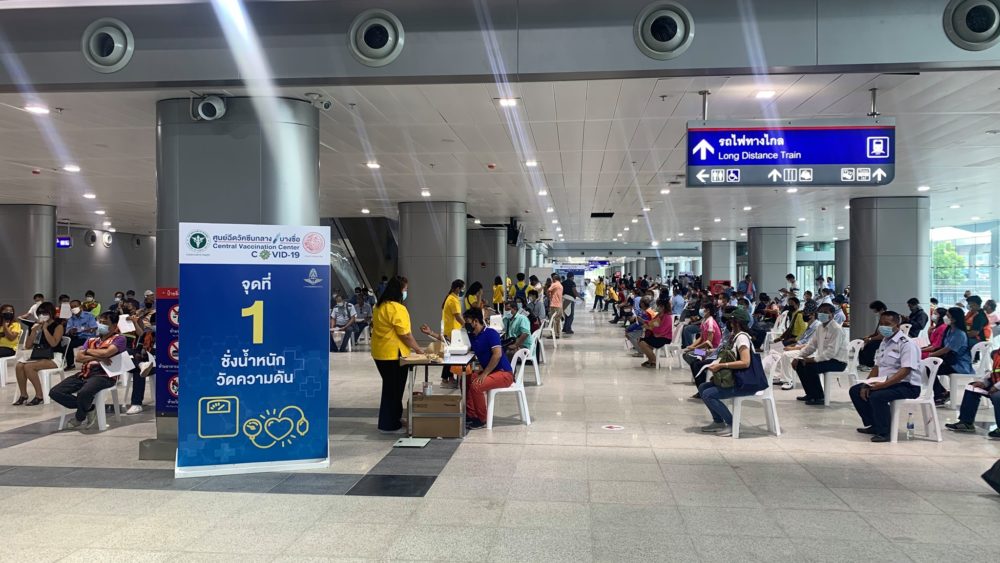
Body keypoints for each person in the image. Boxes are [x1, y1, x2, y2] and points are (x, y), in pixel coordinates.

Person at [849, 311, 922, 442]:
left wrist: (883, 385)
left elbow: (905, 370)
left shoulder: (906, 344)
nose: (883, 327)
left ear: (897, 325)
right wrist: (868, 383)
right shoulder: (884, 342)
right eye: (881, 324)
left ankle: (885, 432)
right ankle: (874, 424)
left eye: (887, 324)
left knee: (878, 396)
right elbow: (877, 367)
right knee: (856, 390)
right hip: (886, 382)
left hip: (907, 385)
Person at [49, 311, 127, 429]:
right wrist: (98, 356)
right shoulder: (91, 340)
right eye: (100, 322)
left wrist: (87, 351)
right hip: (84, 373)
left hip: (104, 375)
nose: (101, 325)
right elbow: (79, 358)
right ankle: (89, 408)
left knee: (84, 393)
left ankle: (79, 417)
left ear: (115, 326)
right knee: (55, 392)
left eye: (105, 323)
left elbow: (107, 352)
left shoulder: (119, 339)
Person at [371, 276, 424, 434]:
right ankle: (389, 424)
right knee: (394, 389)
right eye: (405, 290)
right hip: (394, 355)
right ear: (399, 291)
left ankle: (393, 419)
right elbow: (405, 334)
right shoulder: (397, 308)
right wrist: (418, 349)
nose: (406, 292)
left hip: (380, 353)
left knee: (390, 387)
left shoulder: (379, 306)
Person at [698, 308, 758, 437]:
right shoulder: (731, 336)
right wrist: (693, 350)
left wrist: (721, 365)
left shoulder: (741, 338)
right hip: (715, 360)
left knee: (709, 394)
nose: (728, 323)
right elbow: (716, 350)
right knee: (703, 387)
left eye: (731, 321)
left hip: (743, 382)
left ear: (736, 322)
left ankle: (733, 424)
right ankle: (718, 421)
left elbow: (745, 362)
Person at [454, 307, 515, 430]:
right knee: (466, 379)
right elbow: (454, 342)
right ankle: (471, 415)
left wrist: (484, 374)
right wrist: (432, 334)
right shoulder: (473, 336)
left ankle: (482, 419)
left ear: (475, 321)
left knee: (476, 385)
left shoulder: (491, 333)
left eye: (467, 321)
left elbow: (497, 354)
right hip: (491, 371)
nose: (466, 324)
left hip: (504, 373)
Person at [791, 303, 849, 405]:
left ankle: (819, 397)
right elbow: (811, 346)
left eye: (826, 312)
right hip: (825, 359)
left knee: (810, 366)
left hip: (838, 362)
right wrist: (798, 356)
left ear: (832, 314)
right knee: (799, 364)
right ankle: (810, 394)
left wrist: (812, 360)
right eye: (820, 312)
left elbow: (831, 353)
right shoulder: (820, 328)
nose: (822, 314)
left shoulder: (836, 329)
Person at [13, 302, 64, 406]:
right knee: (19, 366)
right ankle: (23, 395)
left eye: (45, 313)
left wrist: (45, 329)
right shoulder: (36, 325)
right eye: (40, 313)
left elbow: (54, 343)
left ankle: (39, 395)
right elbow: (27, 346)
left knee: (29, 367)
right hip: (39, 354)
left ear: (51, 313)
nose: (42, 315)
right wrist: (33, 331)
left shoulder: (58, 326)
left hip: (54, 356)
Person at [945, 349, 1000, 438]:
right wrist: (983, 382)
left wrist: (996, 387)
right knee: (972, 388)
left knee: (997, 396)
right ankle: (966, 423)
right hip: (996, 384)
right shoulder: (996, 353)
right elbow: (992, 372)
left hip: (998, 387)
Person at [925, 307, 972, 406]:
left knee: (931, 368)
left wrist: (930, 355)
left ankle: (940, 394)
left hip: (959, 365)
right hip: (950, 361)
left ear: (954, 319)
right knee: (930, 367)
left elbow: (947, 349)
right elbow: (941, 346)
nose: (945, 317)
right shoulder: (949, 330)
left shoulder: (959, 334)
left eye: (948, 316)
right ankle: (942, 392)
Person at [64, 300, 98, 369]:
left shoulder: (89, 316)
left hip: (88, 337)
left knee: (87, 343)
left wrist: (82, 329)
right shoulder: (71, 318)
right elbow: (67, 331)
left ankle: (90, 362)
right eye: (72, 307)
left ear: (80, 306)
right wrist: (71, 331)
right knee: (67, 344)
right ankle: (70, 364)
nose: (73, 308)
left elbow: (93, 328)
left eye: (75, 306)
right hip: (77, 337)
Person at [637, 299, 672, 368]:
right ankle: (651, 360)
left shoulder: (667, 317)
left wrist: (649, 327)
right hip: (657, 335)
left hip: (664, 337)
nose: (657, 307)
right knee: (641, 341)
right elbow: (652, 323)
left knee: (642, 342)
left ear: (663, 307)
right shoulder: (659, 315)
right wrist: (644, 321)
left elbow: (661, 330)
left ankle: (654, 361)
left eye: (658, 306)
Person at [857, 300, 889, 369]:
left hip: (885, 339)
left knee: (870, 344)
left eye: (874, 310)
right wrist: (868, 336)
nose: (874, 312)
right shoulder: (881, 317)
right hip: (880, 337)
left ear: (879, 309)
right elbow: (876, 333)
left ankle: (868, 364)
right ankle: (862, 363)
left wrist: (870, 339)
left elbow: (882, 336)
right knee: (860, 341)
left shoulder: (886, 318)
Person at [546, 274, 564, 338]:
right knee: (558, 320)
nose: (552, 280)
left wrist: (549, 297)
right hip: (559, 305)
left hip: (554, 305)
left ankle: (553, 334)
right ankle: (557, 334)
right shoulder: (560, 285)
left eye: (552, 278)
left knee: (553, 320)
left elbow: (548, 290)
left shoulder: (554, 284)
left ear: (554, 279)